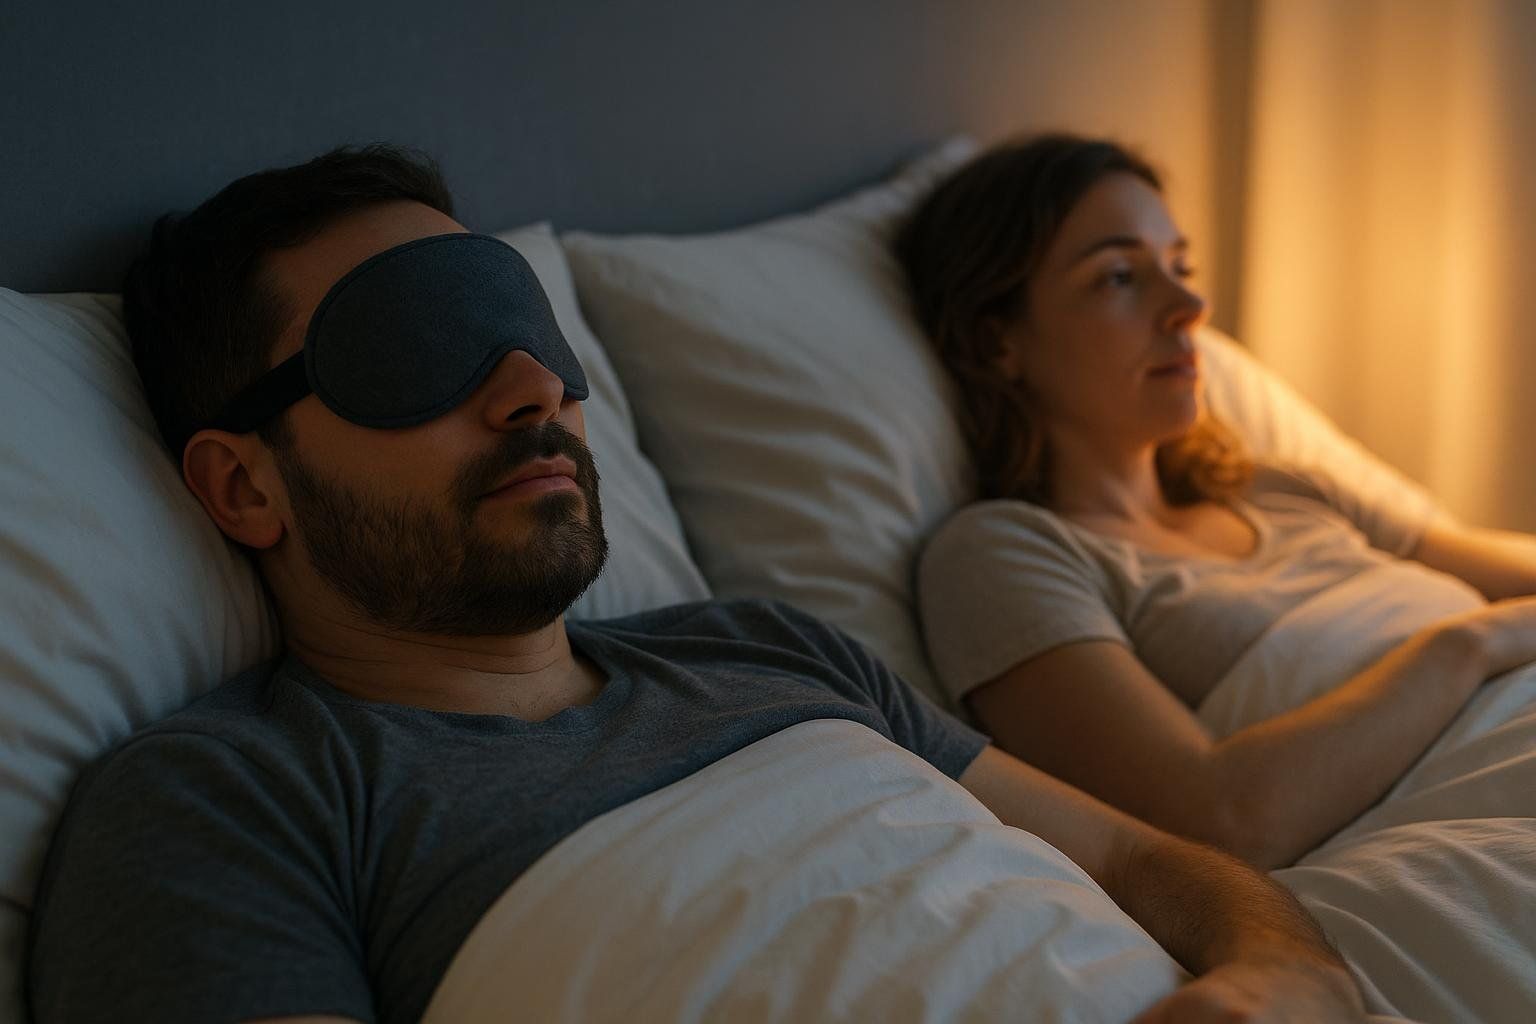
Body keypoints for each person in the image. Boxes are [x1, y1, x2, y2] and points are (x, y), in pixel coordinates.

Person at [26, 143, 1369, 1024]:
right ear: (242, 486)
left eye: (526, 330)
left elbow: (1146, 857)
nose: (532, 389)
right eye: (419, 345)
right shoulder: (233, 800)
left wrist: (1285, 971)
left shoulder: (770, 650)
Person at [897, 132, 1536, 872]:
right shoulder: (1004, 553)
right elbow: (1222, 819)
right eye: (1118, 277)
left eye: (1179, 267)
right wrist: (1467, 645)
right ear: (996, 341)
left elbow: (1506, 571)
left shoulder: (1278, 487)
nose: (1190, 306)